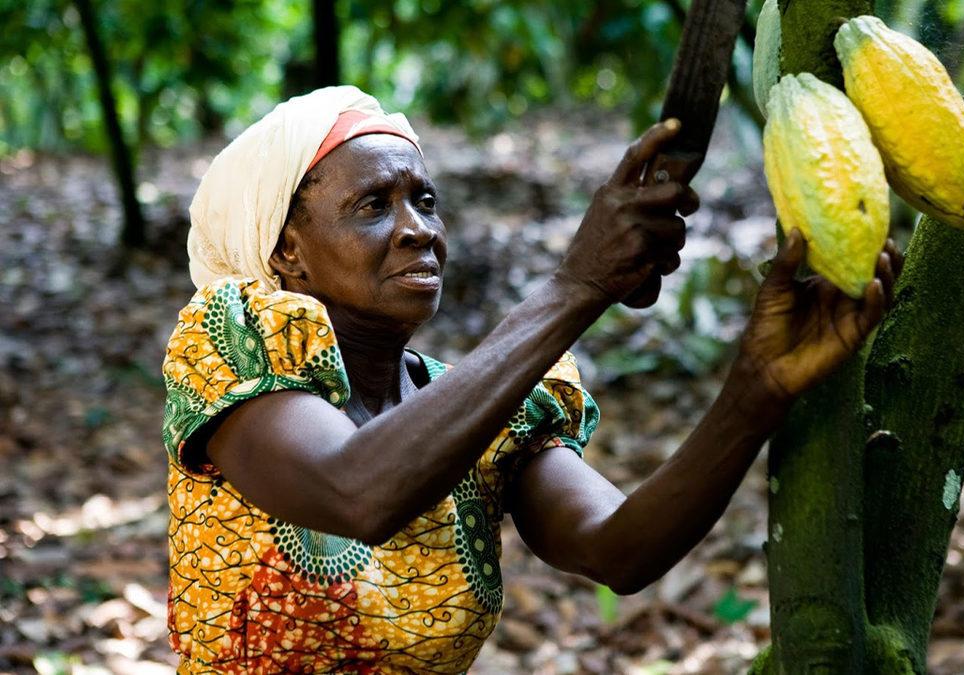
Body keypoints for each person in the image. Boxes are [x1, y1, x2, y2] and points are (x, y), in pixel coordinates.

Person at [161, 86, 901, 673]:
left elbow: (619, 548)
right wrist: (576, 284)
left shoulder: (487, 411)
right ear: (286, 249)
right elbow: (354, 490)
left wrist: (756, 388)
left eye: (424, 200)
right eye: (373, 205)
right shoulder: (232, 341)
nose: (419, 228)